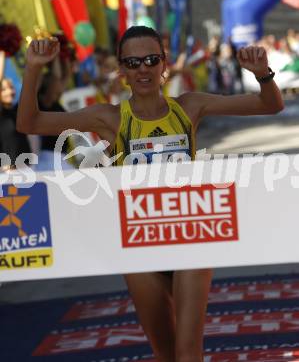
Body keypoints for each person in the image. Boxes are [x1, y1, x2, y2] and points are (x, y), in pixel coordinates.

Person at [17, 26, 284, 362]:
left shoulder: (189, 107)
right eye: (133, 62)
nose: (143, 68)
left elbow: (270, 105)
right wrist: (33, 67)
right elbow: (29, 122)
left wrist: (263, 74)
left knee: (188, 355)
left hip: (190, 237)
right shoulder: (109, 117)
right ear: (122, 71)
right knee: (166, 353)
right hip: (141, 245)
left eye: (150, 59)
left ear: (163, 64)